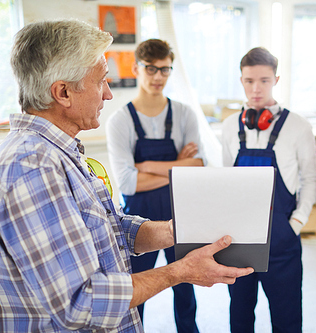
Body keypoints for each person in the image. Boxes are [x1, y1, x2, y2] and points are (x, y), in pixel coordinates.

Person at [0, 19, 253, 332]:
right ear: (63, 92)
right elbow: (81, 304)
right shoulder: (32, 167)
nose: (108, 94)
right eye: (101, 81)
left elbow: (106, 230)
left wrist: (175, 232)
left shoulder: (60, 152)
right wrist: (178, 272)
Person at [105, 39, 203, 332]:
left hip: (179, 214)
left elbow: (197, 168)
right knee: (136, 292)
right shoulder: (120, 120)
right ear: (137, 68)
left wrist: (146, 167)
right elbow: (127, 182)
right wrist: (177, 166)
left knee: (186, 287)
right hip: (138, 220)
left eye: (165, 70)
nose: (158, 77)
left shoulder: (185, 114)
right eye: (151, 69)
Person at [222, 47, 316, 332]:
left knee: (286, 317)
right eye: (249, 81)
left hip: (281, 241)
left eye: (264, 80)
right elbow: (225, 182)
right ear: (241, 80)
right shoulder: (230, 126)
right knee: (240, 316)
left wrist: (297, 223)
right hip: (237, 243)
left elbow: (310, 178)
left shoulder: (298, 126)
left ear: (276, 79)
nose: (256, 88)